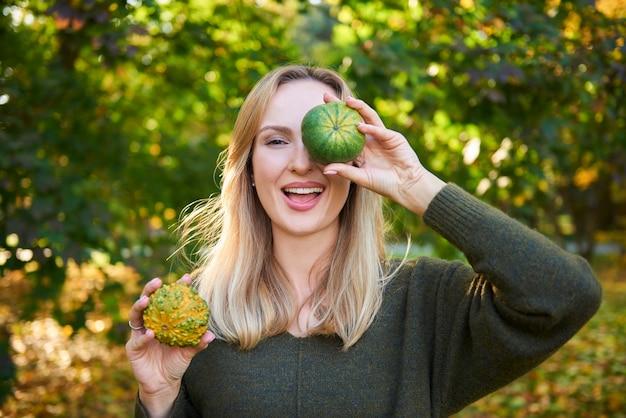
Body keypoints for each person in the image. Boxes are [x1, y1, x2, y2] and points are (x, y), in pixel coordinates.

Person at [126, 65, 602, 417]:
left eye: (318, 138)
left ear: (354, 162)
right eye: (275, 141)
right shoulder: (201, 321)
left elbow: (565, 295)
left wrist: (417, 185)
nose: (302, 163)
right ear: (248, 170)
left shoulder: (423, 304)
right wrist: (159, 396)